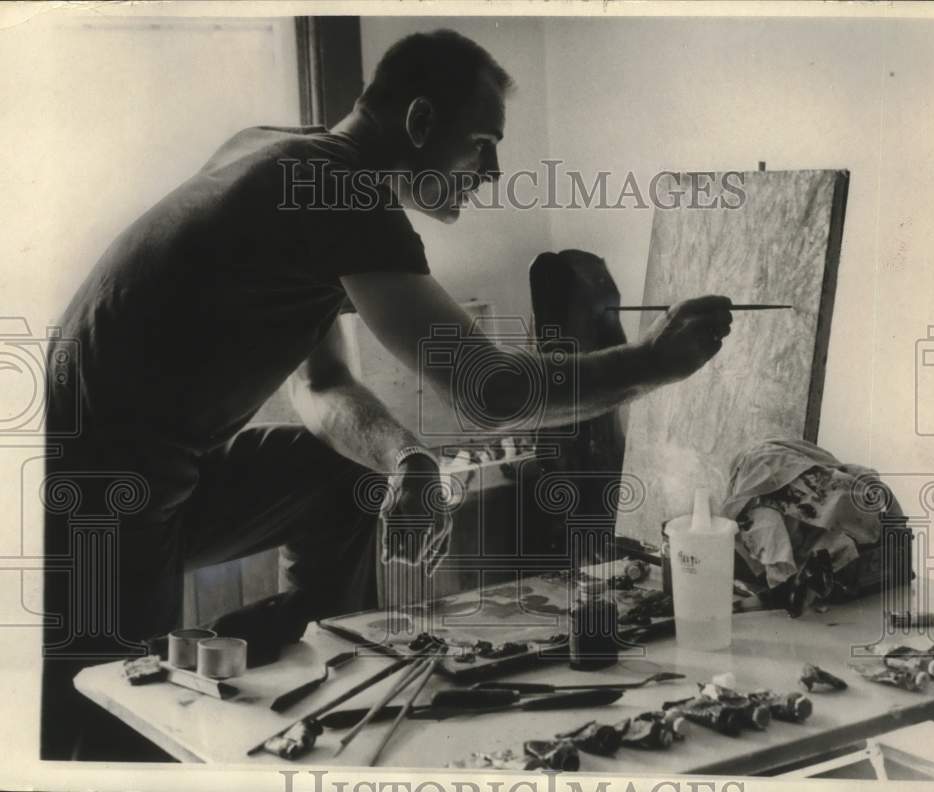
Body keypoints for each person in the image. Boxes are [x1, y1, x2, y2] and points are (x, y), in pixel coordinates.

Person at [41, 29, 732, 759]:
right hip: (94, 492)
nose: (491, 170)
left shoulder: (282, 156)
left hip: (164, 475)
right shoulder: (347, 195)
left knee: (349, 478)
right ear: (422, 124)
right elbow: (489, 391)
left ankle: (303, 671)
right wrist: (655, 362)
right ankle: (202, 692)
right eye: (482, 143)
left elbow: (322, 384)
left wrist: (408, 460)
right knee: (116, 723)